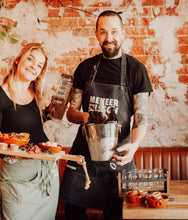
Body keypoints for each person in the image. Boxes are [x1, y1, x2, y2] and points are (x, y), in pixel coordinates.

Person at [60, 10, 153, 220]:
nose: (108, 38)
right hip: (83, 158)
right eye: (103, 32)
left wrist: (134, 146)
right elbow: (72, 112)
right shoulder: (85, 68)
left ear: (123, 34)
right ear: (96, 35)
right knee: (73, 214)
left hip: (118, 158)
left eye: (113, 31)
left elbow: (141, 119)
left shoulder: (136, 70)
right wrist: (88, 118)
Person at [0, 43, 59, 220]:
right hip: (17, 178)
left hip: (47, 173)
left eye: (39, 65)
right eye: (30, 59)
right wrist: (24, 151)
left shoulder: (35, 94)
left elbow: (31, 127)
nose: (34, 66)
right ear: (18, 61)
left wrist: (52, 112)